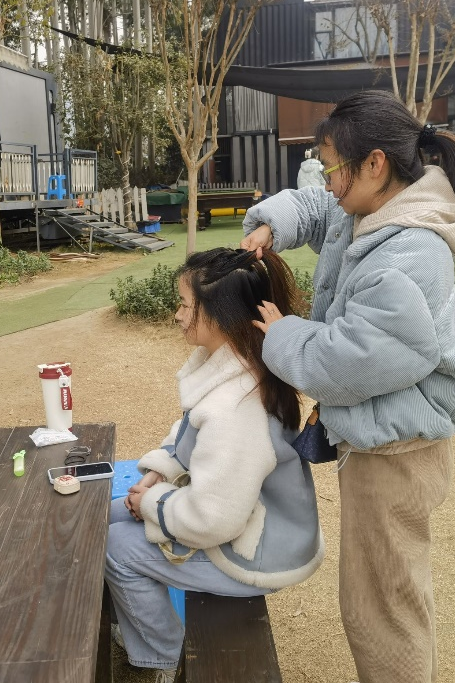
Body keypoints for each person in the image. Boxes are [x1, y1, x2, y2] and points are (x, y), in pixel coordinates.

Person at [240, 90, 455, 683]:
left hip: (396, 453)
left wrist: (283, 334)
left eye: (331, 168)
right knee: (383, 593)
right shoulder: (372, 209)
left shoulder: (407, 254)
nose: (326, 183)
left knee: (383, 608)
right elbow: (316, 208)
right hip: (387, 434)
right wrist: (273, 223)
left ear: (374, 164)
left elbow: (350, 362)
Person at [105, 248, 324, 683]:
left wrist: (151, 503)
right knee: (104, 517)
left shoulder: (236, 408)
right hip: (261, 522)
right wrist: (160, 472)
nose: (177, 315)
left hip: (257, 553)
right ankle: (139, 620)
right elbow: (190, 431)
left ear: (221, 315)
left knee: (115, 546)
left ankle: (162, 655)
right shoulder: (242, 361)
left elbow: (213, 519)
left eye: (186, 305)